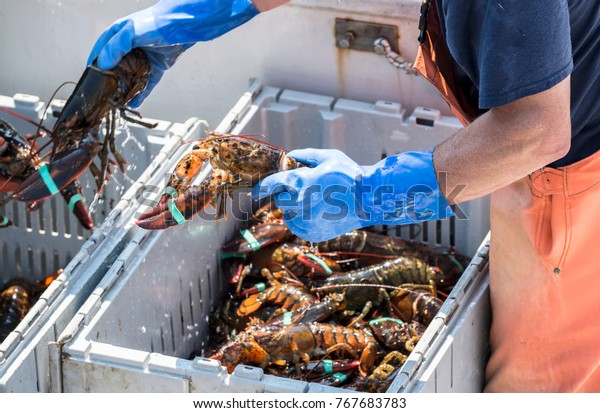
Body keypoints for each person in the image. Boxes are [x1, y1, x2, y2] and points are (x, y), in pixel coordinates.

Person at [87, 0, 600, 392]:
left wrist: (366, 194)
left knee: (541, 386)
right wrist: (198, 14)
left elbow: (535, 129)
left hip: (571, 181)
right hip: (530, 154)